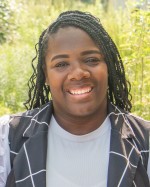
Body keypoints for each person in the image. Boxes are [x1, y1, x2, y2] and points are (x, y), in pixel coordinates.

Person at [0, 10, 150, 187]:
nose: (78, 73)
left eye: (92, 60)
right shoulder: (8, 137)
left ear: (108, 67)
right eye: (61, 64)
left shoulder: (145, 140)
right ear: (45, 75)